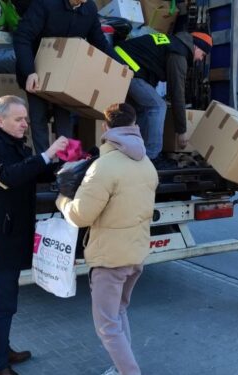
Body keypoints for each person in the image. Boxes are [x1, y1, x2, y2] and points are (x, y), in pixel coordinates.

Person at [56, 103, 158, 375]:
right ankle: (120, 367)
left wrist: (62, 200)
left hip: (109, 258)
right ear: (134, 125)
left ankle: (129, 372)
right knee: (119, 313)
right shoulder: (147, 163)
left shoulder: (103, 167)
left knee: (107, 326)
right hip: (135, 254)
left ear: (105, 127)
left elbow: (80, 216)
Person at [0, 95, 69, 375]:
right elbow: (8, 176)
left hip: (12, 238)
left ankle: (4, 351)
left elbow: (34, 174)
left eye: (26, 118)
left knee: (8, 304)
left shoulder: (17, 146)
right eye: (19, 119)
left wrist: (64, 162)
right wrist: (46, 155)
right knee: (1, 307)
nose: (25, 123)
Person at [12, 0, 118, 153]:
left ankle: (65, 166)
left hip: (65, 74)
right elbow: (22, 36)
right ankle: (44, 165)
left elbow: (99, 40)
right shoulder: (46, 4)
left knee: (64, 118)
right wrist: (29, 72)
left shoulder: (89, 8)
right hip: (38, 70)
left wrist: (118, 63)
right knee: (39, 118)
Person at [113, 31, 213, 168]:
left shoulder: (173, 43)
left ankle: (138, 154)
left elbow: (150, 66)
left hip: (122, 62)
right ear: (196, 46)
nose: (201, 59)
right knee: (158, 106)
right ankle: (153, 157)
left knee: (144, 108)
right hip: (125, 67)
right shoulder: (178, 54)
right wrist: (181, 131)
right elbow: (177, 93)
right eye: (202, 54)